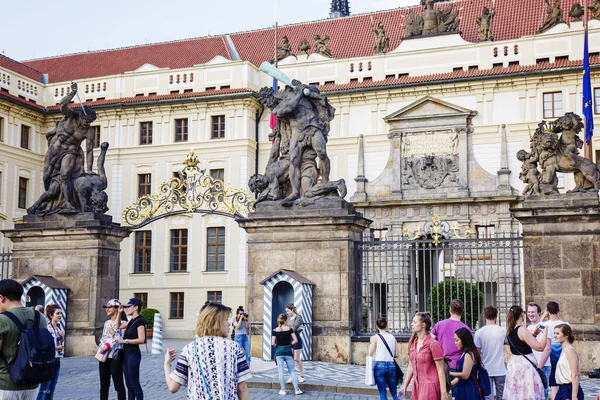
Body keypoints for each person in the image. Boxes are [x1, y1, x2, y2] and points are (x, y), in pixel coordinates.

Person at [164, 303, 250, 399]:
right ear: (215, 322)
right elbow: (242, 388)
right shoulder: (235, 348)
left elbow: (173, 387)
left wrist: (167, 364)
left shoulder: (189, 349)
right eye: (226, 320)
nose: (229, 323)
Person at [0, 279, 47, 399]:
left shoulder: (2, 319)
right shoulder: (39, 318)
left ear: (2, 298)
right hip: (32, 383)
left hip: (6, 384)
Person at [504, 305, 547, 400]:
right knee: (527, 392)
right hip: (525, 366)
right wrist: (545, 333)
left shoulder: (509, 330)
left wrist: (534, 334)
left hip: (514, 365)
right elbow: (540, 347)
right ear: (522, 315)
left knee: (518, 393)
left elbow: (521, 343)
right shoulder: (522, 329)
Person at [431, 298, 471, 399]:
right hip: (458, 366)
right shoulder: (466, 329)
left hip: (441, 365)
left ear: (450, 310)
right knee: (456, 396)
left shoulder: (439, 325)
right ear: (463, 311)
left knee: (440, 394)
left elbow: (430, 342)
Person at [402, 312, 448, 400]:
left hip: (430, 388)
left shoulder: (433, 344)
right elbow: (411, 366)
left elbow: (440, 370)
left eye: (415, 322)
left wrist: (443, 393)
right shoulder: (413, 343)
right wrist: (404, 386)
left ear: (423, 325)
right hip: (417, 387)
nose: (412, 324)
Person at [115, 298, 146, 400]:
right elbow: (118, 326)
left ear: (136, 307)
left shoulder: (140, 321)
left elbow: (142, 339)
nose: (126, 308)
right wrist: (119, 313)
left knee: (134, 383)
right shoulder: (131, 321)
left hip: (133, 355)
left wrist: (125, 341)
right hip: (126, 355)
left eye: (129, 306)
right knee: (128, 384)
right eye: (126, 307)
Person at [474, 305, 506, 400]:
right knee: (502, 396)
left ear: (484, 316)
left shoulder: (479, 332)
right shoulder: (502, 330)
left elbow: (477, 352)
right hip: (500, 368)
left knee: (488, 396)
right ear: (496, 316)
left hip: (486, 368)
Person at [98, 299, 126, 400]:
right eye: (106, 307)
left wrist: (113, 334)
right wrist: (102, 347)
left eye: (109, 307)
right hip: (105, 356)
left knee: (118, 384)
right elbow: (103, 338)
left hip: (116, 356)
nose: (107, 309)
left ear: (117, 309)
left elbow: (121, 340)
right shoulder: (107, 323)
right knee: (103, 385)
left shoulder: (123, 323)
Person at [542, 301, 570, 400]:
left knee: (553, 383)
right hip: (562, 352)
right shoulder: (565, 324)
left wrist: (543, 316)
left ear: (547, 311)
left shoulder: (544, 324)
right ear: (558, 310)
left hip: (551, 354)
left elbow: (538, 326)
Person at [36, 305, 64, 400]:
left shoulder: (58, 329)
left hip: (57, 360)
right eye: (57, 313)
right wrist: (57, 347)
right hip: (49, 361)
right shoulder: (47, 328)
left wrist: (62, 338)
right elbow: (44, 346)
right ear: (51, 315)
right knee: (45, 388)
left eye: (60, 313)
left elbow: (59, 343)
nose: (60, 315)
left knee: (52, 388)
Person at [369, 317, 400, 400]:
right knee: (394, 392)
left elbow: (370, 353)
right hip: (391, 365)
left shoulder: (375, 337)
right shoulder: (392, 337)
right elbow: (396, 354)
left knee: (382, 392)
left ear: (376, 326)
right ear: (386, 326)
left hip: (379, 365)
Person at [271, 313, 303, 395]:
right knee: (292, 371)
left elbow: (272, 343)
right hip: (288, 351)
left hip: (279, 352)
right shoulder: (289, 329)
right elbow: (295, 340)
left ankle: (283, 390)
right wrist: (290, 344)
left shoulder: (275, 330)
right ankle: (297, 389)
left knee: (281, 371)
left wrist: (278, 346)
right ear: (286, 320)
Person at [449, 327, 483, 400]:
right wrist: (448, 384)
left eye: (457, 340)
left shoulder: (469, 354)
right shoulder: (464, 353)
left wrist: (450, 373)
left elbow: (465, 375)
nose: (455, 343)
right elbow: (459, 378)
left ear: (464, 340)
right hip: (463, 388)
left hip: (468, 389)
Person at [527, 302, 552, 399]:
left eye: (533, 312)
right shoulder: (528, 328)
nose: (530, 314)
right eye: (529, 312)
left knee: (542, 394)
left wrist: (539, 367)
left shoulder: (543, 327)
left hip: (542, 366)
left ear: (539, 313)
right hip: (531, 366)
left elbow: (548, 348)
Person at [553, 324, 584, 400]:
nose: (555, 336)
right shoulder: (564, 350)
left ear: (566, 335)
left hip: (569, 388)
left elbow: (575, 374)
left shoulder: (570, 351)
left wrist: (574, 396)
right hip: (562, 388)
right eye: (554, 333)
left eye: (557, 333)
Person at [285, 304, 306, 383]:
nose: (287, 313)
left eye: (288, 311)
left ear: (292, 310)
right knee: (291, 359)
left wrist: (286, 331)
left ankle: (302, 376)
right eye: (286, 311)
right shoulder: (289, 319)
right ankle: (292, 376)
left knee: (296, 359)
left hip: (296, 338)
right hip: (290, 339)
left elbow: (294, 328)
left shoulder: (298, 317)